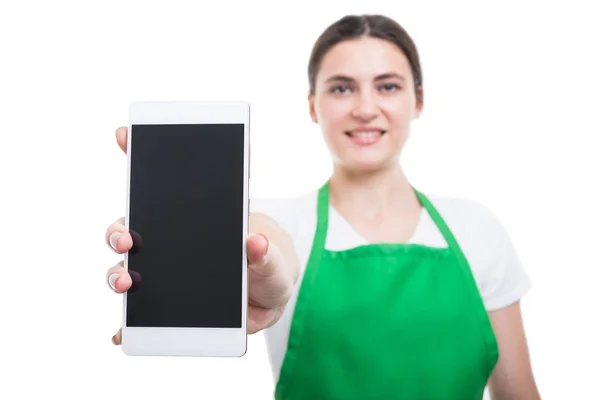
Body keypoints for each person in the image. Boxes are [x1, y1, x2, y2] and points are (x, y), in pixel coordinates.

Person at [104, 14, 541, 400]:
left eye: (387, 86)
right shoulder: (283, 223)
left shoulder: (477, 229)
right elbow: (267, 247)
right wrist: (259, 268)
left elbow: (519, 394)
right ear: (313, 106)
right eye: (341, 88)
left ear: (418, 101)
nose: (365, 109)